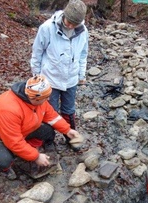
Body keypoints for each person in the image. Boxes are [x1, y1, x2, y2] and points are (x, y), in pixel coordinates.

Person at [0, 75, 81, 180]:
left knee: (48, 131)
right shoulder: (9, 109)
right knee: (3, 160)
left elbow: (52, 117)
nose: (48, 99)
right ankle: (4, 168)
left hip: (23, 129)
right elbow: (13, 141)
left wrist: (67, 130)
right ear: (34, 98)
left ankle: (27, 149)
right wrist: (36, 156)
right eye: (46, 97)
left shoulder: (39, 100)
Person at [30, 0, 88, 148]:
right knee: (50, 111)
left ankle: (71, 138)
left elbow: (83, 54)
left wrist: (81, 75)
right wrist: (37, 76)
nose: (70, 26)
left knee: (69, 110)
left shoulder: (83, 31)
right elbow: (37, 53)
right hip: (50, 78)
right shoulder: (47, 28)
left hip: (71, 79)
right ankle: (48, 141)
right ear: (64, 15)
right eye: (69, 22)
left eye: (74, 24)